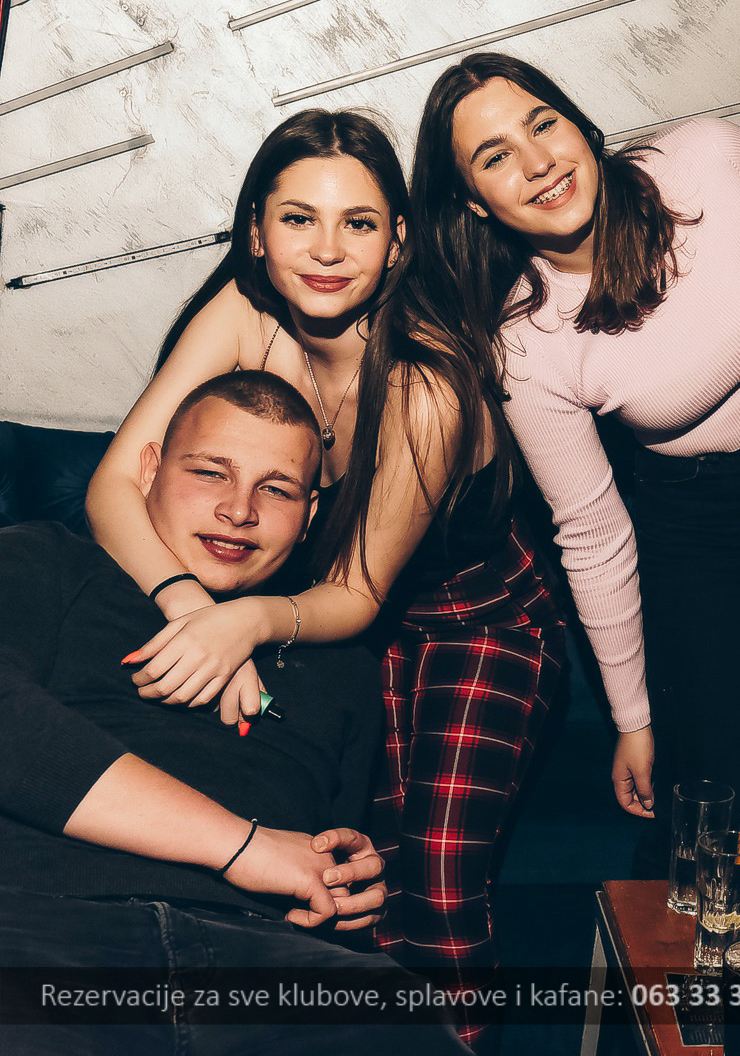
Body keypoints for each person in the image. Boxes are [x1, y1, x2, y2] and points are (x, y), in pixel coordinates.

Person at [85, 110, 565, 1050]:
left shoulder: (426, 381)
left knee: (436, 885)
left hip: (475, 620)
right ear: (257, 231)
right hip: (332, 623)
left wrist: (241, 626)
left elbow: (355, 592)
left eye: (360, 223)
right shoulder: (243, 314)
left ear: (399, 243)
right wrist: (190, 606)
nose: (328, 250)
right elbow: (114, 485)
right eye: (299, 218)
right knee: (347, 882)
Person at [407, 53, 740, 871]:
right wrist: (633, 719)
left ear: (579, 124)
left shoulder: (706, 160)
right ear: (472, 200)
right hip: (706, 528)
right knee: (726, 795)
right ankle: (733, 953)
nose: (538, 163)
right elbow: (592, 530)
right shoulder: (523, 341)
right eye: (495, 157)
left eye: (543, 124)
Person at [1, 370, 467, 1055]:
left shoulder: (343, 661)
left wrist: (346, 881)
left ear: (310, 514)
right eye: (210, 472)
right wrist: (244, 847)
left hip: (272, 962)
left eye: (276, 489)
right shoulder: (44, 559)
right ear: (150, 470)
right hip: (42, 923)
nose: (238, 510)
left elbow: (327, 850)